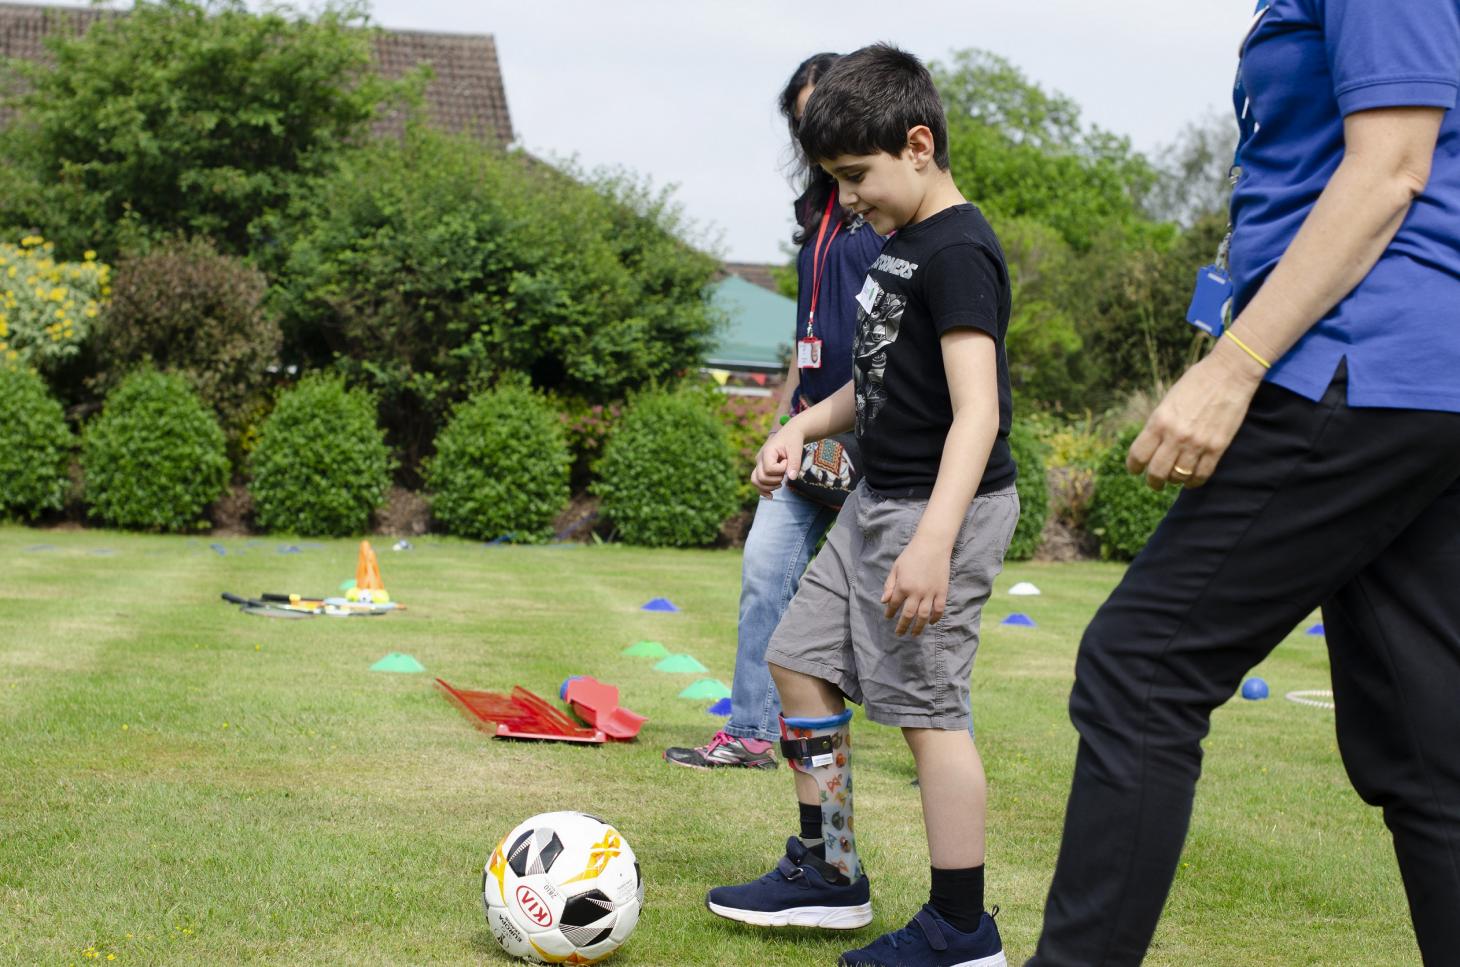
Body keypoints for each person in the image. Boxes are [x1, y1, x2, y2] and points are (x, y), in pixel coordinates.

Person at [1028, 1, 1460, 963]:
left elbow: (1392, 169)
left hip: (1356, 358)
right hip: (1420, 379)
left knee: (1141, 665)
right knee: (1427, 747)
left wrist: (1236, 364)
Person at [705, 44, 1020, 967]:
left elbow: (978, 412)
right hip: (877, 498)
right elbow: (875, 381)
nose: (845, 200)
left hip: (935, 511)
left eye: (855, 176)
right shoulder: (900, 245)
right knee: (796, 659)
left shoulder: (959, 250)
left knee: (929, 712)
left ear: (917, 144)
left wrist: (932, 542)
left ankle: (963, 931)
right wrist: (804, 425)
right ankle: (831, 869)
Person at [664, 53, 884, 770]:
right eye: (801, 119)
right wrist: (783, 417)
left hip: (881, 429)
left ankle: (941, 734)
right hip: (809, 426)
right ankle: (753, 732)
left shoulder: (890, 206)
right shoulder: (814, 211)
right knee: (764, 567)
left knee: (896, 595)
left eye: (822, 111)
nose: (811, 128)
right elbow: (810, 326)